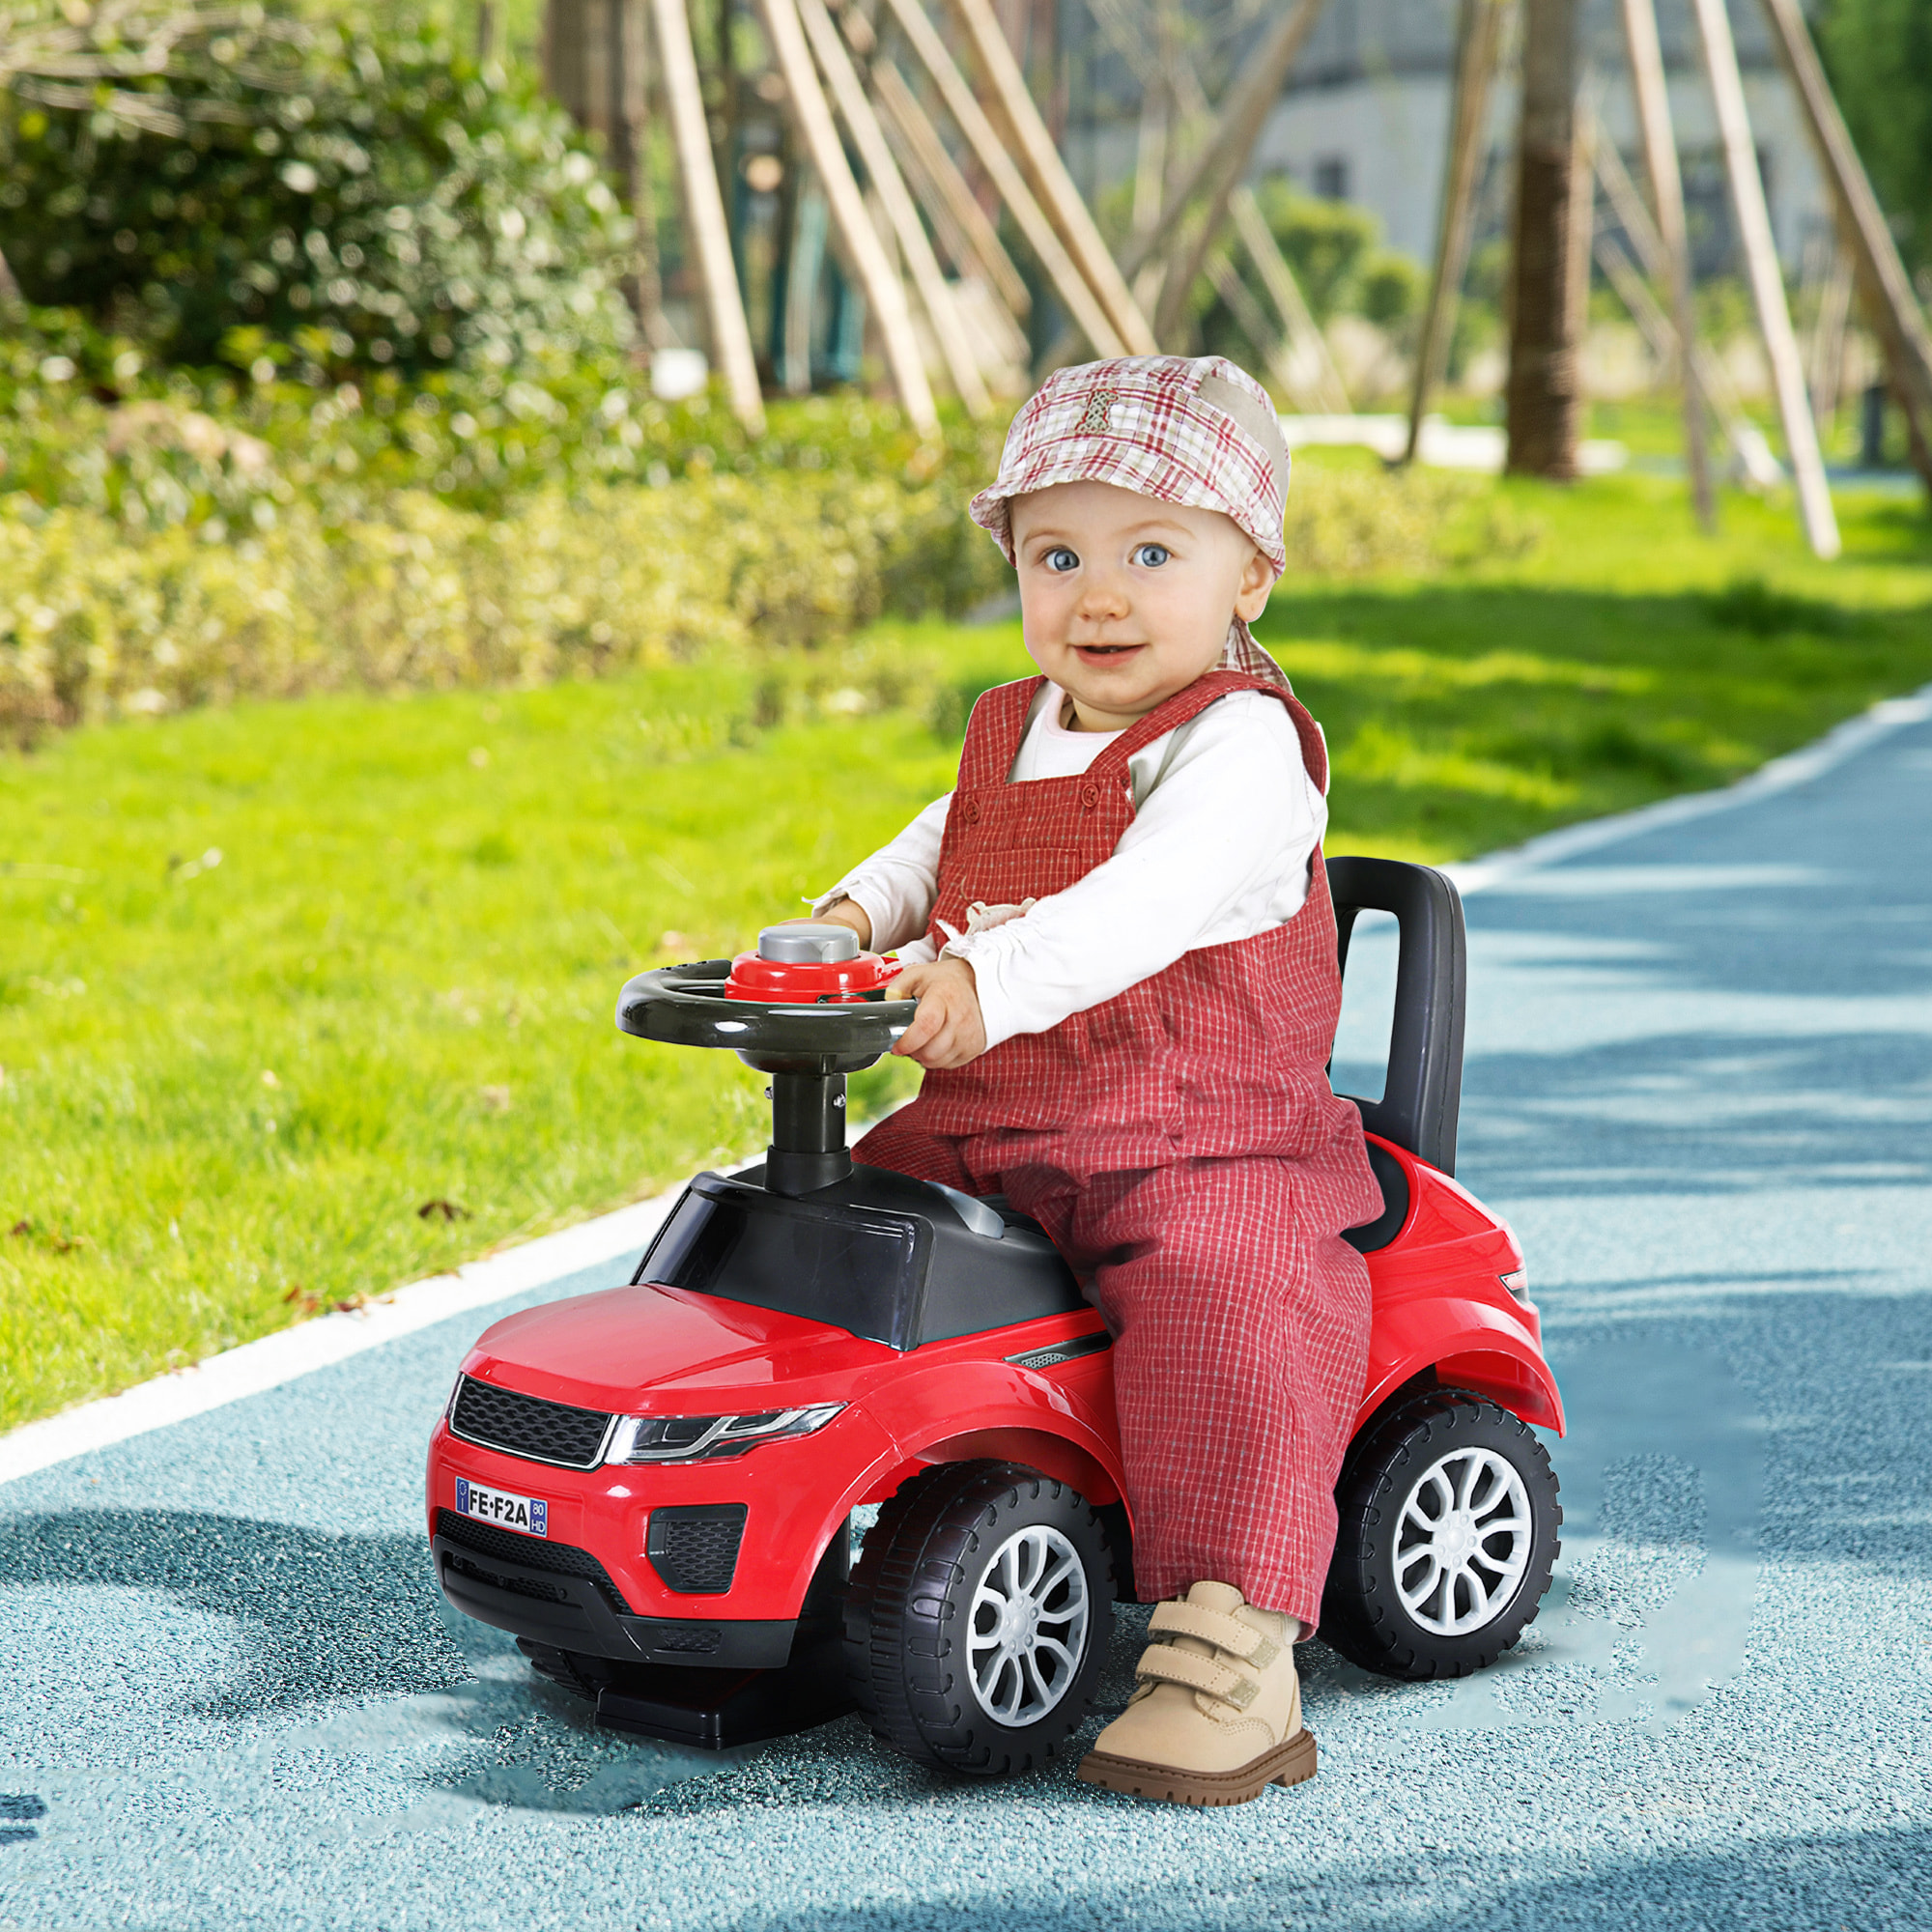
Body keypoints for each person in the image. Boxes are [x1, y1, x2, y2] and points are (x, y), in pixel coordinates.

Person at [806, 355, 1382, 1807]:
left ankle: (1228, 1640)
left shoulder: (1242, 748)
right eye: (1056, 556)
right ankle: (787, 1524)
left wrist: (983, 985)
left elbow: (1146, 900)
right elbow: (939, 845)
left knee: (1227, 1285)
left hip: (1196, 1130)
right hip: (993, 1118)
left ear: (1251, 576)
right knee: (815, 1231)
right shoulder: (1015, 722)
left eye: (1151, 554)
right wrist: (850, 923)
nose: (1098, 597)